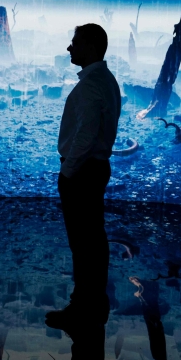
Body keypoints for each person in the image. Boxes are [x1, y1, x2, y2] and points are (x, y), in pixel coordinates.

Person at [46, 23, 121, 334]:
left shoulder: (91, 85)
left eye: (74, 43)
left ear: (90, 46)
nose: (69, 49)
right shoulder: (105, 80)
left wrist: (67, 171)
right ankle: (94, 304)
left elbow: (85, 135)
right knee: (94, 241)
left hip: (83, 171)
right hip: (94, 168)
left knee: (83, 243)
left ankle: (81, 309)